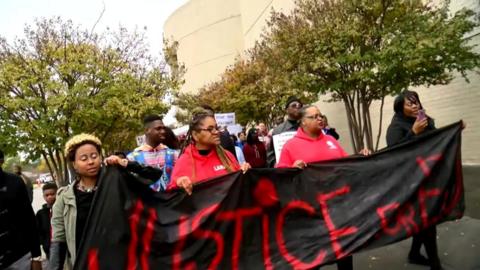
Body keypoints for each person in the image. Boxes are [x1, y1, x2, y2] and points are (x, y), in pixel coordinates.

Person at [276, 105, 371, 270]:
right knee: (315, 256)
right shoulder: (291, 145)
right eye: (314, 116)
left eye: (321, 115)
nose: (320, 119)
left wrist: (360, 157)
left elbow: (345, 165)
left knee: (345, 251)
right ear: (303, 122)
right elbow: (279, 173)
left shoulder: (331, 140)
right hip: (311, 211)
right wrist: (292, 167)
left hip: (337, 207)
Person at [386, 90, 441, 270]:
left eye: (416, 102)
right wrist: (412, 132)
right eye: (410, 104)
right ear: (400, 108)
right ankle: (435, 264)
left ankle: (414, 254)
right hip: (411, 182)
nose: (415, 105)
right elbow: (395, 154)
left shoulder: (424, 120)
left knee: (425, 220)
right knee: (427, 222)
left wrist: (454, 130)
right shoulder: (396, 127)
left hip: (428, 176)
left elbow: (437, 140)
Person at [167, 109, 250, 195]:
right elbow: (172, 195)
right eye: (210, 129)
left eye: (216, 128)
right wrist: (179, 183)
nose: (216, 132)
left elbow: (240, 185)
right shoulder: (184, 161)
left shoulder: (227, 156)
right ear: (195, 135)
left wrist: (245, 171)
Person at [0, 150, 42, 270]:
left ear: (1, 161)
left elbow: (29, 219)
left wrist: (36, 256)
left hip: (19, 256)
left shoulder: (16, 181)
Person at [127, 115, 179, 192]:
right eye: (158, 128)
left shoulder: (174, 154)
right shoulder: (132, 158)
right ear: (147, 130)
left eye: (163, 128)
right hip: (147, 202)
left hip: (171, 201)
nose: (163, 131)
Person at [266, 96, 303, 167]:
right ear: (287, 110)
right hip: (287, 171)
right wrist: (274, 164)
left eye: (300, 106)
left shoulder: (306, 127)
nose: (297, 107)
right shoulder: (278, 131)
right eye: (294, 105)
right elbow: (270, 155)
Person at [36, 182, 58, 261]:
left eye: (52, 194)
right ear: (43, 197)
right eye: (47, 195)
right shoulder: (40, 214)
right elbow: (38, 231)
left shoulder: (64, 210)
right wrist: (44, 243)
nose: (50, 197)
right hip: (49, 248)